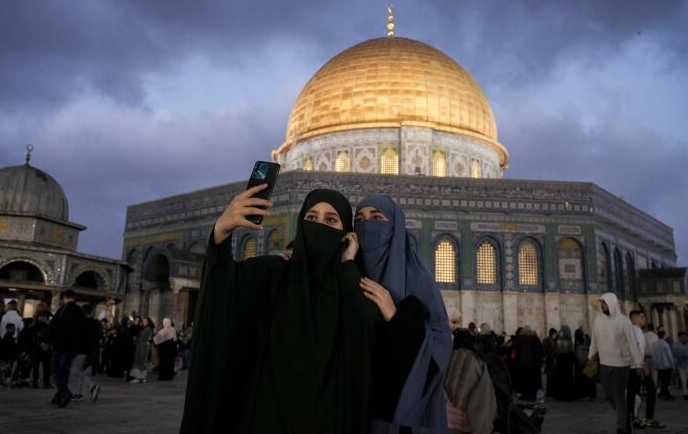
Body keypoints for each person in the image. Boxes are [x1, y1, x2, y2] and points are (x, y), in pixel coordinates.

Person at [180, 186, 378, 434]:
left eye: (331, 220)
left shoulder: (348, 283)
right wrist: (221, 231)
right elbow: (224, 283)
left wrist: (349, 263)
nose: (319, 225)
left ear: (346, 234)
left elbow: (366, 330)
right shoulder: (275, 272)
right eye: (311, 218)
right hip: (268, 415)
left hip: (329, 419)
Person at [354, 195, 452, 432]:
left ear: (395, 228)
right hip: (353, 400)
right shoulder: (350, 272)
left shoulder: (418, 281)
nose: (368, 225)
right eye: (360, 219)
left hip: (397, 417)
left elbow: (440, 346)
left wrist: (396, 317)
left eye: (377, 218)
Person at [588, 293, 643, 434]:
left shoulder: (623, 321)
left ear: (611, 303)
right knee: (609, 395)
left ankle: (621, 427)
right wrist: (591, 358)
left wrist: (638, 364)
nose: (602, 306)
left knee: (618, 395)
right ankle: (626, 417)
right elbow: (594, 340)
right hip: (604, 363)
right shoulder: (598, 319)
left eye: (604, 303)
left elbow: (632, 343)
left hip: (621, 364)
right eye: (601, 304)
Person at [444, 328, 497, 434]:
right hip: (466, 425)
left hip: (443, 424)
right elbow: (483, 398)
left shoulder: (445, 359)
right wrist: (482, 428)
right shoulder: (477, 363)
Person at [45, 289, 86, 408]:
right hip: (73, 347)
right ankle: (59, 395)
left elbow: (53, 325)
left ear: (65, 298)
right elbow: (83, 330)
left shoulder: (63, 309)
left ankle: (64, 391)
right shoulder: (80, 311)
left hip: (61, 345)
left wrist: (45, 339)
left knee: (55, 369)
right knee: (64, 370)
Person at [626, 311, 664, 429]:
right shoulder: (636, 331)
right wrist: (641, 365)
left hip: (633, 367)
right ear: (635, 318)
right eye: (642, 317)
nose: (644, 319)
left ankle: (635, 419)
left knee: (634, 394)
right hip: (635, 368)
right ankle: (642, 419)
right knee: (642, 392)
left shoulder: (631, 330)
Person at [68, 304, 101, 402]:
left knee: (76, 371)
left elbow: (79, 337)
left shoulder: (82, 323)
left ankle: (92, 386)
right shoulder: (96, 323)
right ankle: (78, 394)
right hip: (92, 351)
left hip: (82, 350)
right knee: (80, 371)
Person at [651, 329, 675, 400]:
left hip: (659, 366)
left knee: (662, 379)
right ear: (664, 335)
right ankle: (666, 393)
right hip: (667, 365)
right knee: (666, 380)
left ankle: (662, 392)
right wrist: (673, 365)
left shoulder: (654, 344)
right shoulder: (665, 344)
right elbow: (669, 355)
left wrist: (655, 365)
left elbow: (654, 355)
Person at [553, 325, 575, 401]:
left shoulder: (559, 340)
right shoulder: (570, 340)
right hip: (568, 361)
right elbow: (572, 350)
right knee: (568, 378)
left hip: (561, 360)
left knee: (561, 378)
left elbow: (557, 350)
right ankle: (569, 395)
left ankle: (561, 395)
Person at [573, 328, 596, 400]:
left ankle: (580, 394)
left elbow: (575, 353)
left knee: (580, 380)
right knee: (588, 379)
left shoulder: (576, 343)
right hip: (586, 362)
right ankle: (590, 394)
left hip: (579, 364)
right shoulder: (586, 341)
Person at [129, 317, 153, 383]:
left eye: (145, 321)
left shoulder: (147, 329)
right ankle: (142, 378)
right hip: (142, 347)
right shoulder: (145, 329)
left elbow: (142, 338)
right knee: (142, 362)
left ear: (148, 322)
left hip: (142, 347)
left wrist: (135, 339)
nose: (144, 322)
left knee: (139, 361)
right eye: (143, 321)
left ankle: (137, 378)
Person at [543, 327, 558, 397]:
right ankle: (550, 392)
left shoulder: (551, 340)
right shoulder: (548, 341)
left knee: (551, 377)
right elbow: (547, 350)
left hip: (551, 361)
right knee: (550, 377)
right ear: (552, 334)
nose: (556, 336)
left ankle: (551, 391)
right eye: (555, 334)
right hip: (550, 361)